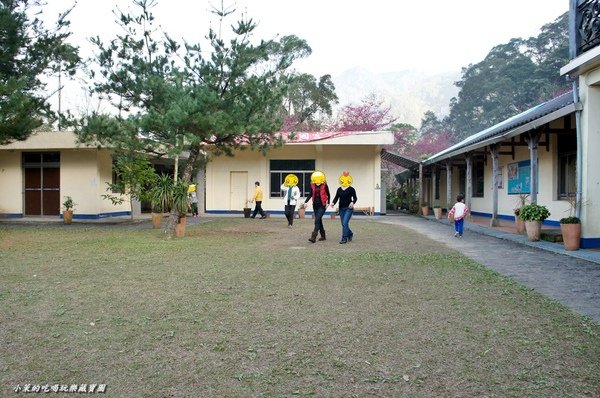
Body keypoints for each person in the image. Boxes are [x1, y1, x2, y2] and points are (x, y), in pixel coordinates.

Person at [302, 171, 330, 243]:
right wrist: (305, 202)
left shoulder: (324, 185)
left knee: (317, 220)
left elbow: (328, 194)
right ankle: (323, 236)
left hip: (322, 205)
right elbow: (310, 194)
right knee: (319, 220)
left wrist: (328, 203)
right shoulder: (313, 185)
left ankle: (313, 237)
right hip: (315, 205)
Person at [330, 171, 357, 244]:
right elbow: (336, 197)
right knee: (343, 224)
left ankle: (344, 238)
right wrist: (333, 203)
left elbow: (355, 198)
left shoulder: (351, 189)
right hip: (341, 209)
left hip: (349, 209)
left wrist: (352, 202)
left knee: (345, 223)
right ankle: (350, 233)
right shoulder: (339, 189)